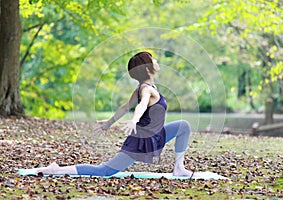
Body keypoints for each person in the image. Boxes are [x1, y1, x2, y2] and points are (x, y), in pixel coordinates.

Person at [37, 51, 194, 177]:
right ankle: (57, 170)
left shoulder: (144, 87)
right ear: (147, 68)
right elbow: (142, 104)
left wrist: (108, 124)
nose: (156, 62)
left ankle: (179, 167)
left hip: (156, 134)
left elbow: (125, 107)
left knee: (183, 126)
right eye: (153, 60)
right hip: (142, 140)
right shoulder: (146, 89)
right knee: (104, 171)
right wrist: (134, 120)